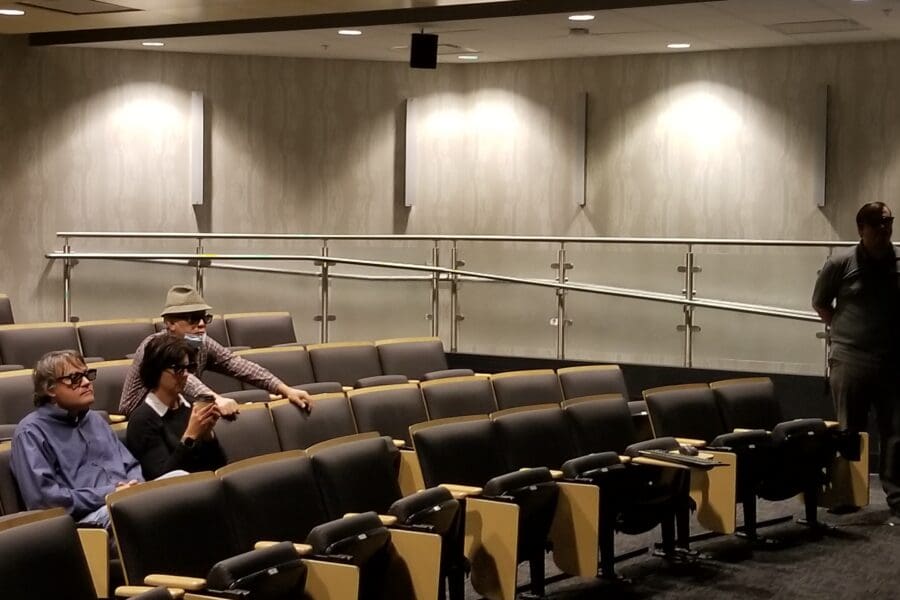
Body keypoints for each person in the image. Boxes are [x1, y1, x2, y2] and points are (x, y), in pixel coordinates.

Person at [812, 201, 900, 519]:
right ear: (861, 229)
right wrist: (843, 329)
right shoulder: (841, 263)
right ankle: (847, 494)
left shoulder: (896, 263)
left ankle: (897, 496)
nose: (884, 230)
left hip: (890, 361)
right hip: (850, 359)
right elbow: (820, 302)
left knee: (896, 430)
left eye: (888, 223)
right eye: (877, 225)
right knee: (850, 429)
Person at [119, 285, 312, 416]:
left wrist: (285, 389)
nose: (201, 324)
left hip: (177, 412)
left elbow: (237, 364)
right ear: (170, 324)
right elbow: (185, 378)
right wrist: (216, 399)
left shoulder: (201, 342)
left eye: (204, 317)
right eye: (193, 318)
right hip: (143, 418)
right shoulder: (154, 346)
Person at [11, 350, 144, 528]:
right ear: (50, 389)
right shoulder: (30, 433)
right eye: (75, 378)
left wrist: (136, 487)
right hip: (83, 522)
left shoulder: (96, 419)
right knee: (133, 514)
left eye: (87, 375)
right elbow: (45, 501)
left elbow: (130, 465)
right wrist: (111, 493)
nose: (87, 382)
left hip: (126, 500)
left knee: (179, 482)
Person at [126, 335, 227, 479]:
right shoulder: (142, 420)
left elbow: (220, 467)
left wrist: (208, 435)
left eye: (189, 368)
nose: (186, 375)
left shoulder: (191, 407)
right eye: (178, 369)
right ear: (155, 370)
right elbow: (162, 479)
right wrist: (190, 436)